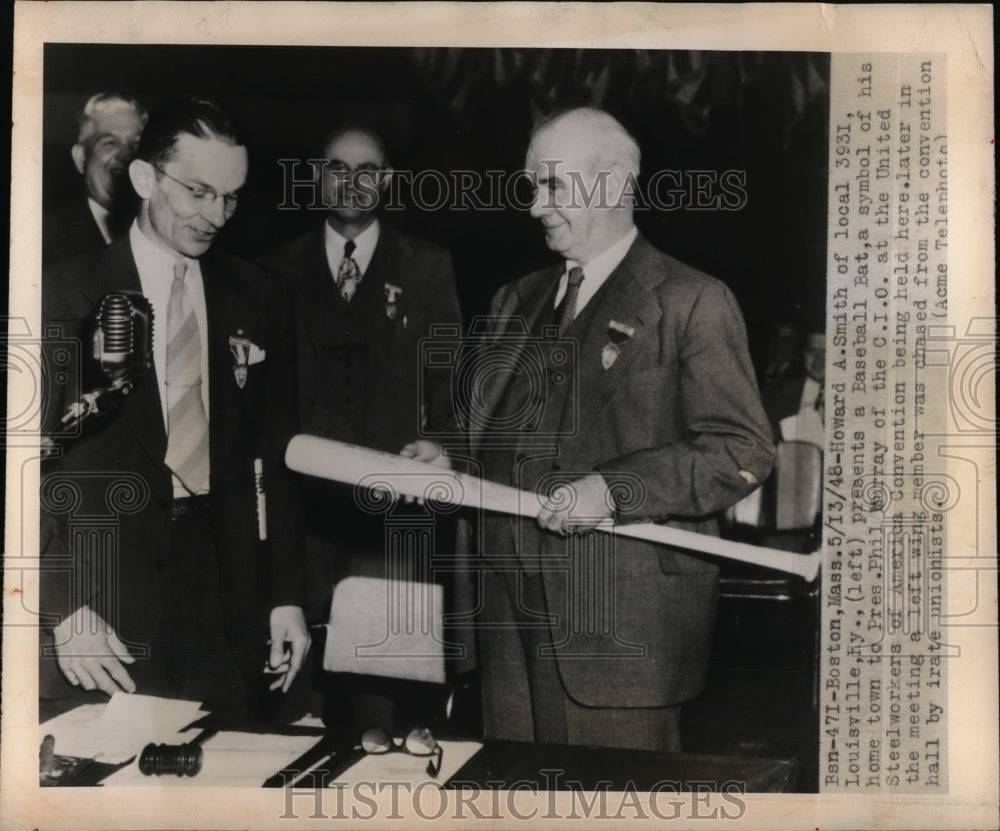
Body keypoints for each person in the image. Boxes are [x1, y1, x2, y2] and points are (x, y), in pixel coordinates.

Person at [405, 107, 774, 751]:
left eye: (551, 185)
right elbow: (480, 430)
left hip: (617, 627)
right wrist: (444, 454)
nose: (534, 206)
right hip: (503, 618)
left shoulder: (691, 301)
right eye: (532, 186)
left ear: (612, 185)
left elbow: (741, 449)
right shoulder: (513, 298)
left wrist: (613, 488)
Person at [40, 97, 310, 721]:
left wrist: (286, 596)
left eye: (232, 197)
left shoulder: (261, 295)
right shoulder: (58, 295)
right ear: (143, 179)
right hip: (98, 614)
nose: (216, 214)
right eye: (198, 191)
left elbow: (279, 455)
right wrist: (62, 601)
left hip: (225, 609)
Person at [260, 126, 461, 730]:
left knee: (385, 699)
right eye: (337, 168)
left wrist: (443, 449)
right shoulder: (274, 269)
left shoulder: (427, 266)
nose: (352, 182)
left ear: (389, 180)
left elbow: (447, 385)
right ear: (317, 176)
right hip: (304, 517)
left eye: (367, 169)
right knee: (298, 693)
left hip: (392, 519)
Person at [43, 92, 147, 266]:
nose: (126, 155)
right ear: (81, 158)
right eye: (110, 142)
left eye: (136, 144)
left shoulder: (163, 232)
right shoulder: (43, 235)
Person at [761, 325, 826, 446]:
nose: (818, 360)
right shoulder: (773, 395)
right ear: (804, 353)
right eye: (812, 351)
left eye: (825, 352)